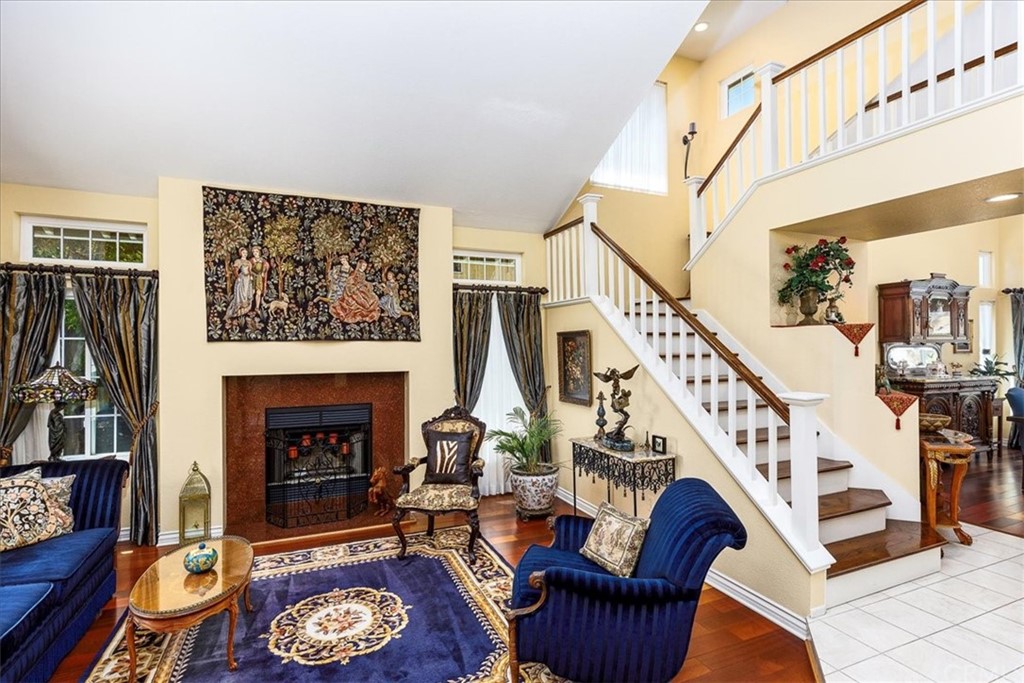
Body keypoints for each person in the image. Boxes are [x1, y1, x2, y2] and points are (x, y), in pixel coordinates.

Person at [225, 246, 253, 318]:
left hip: (247, 279)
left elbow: (249, 271)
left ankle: (245, 307)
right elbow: (235, 271)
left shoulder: (248, 262)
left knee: (246, 292)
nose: (245, 254)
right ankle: (238, 307)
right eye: (243, 253)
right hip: (242, 278)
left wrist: (251, 276)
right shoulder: (238, 261)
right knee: (241, 292)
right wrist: (238, 277)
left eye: (246, 253)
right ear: (241, 253)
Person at [250, 245, 269, 311]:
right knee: (251, 292)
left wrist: (264, 270)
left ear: (259, 252)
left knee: (258, 293)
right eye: (254, 252)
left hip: (259, 278)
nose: (255, 253)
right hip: (253, 278)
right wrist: (251, 275)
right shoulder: (251, 260)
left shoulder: (263, 260)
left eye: (256, 251)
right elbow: (249, 269)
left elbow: (266, 267)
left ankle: (257, 307)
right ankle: (249, 306)